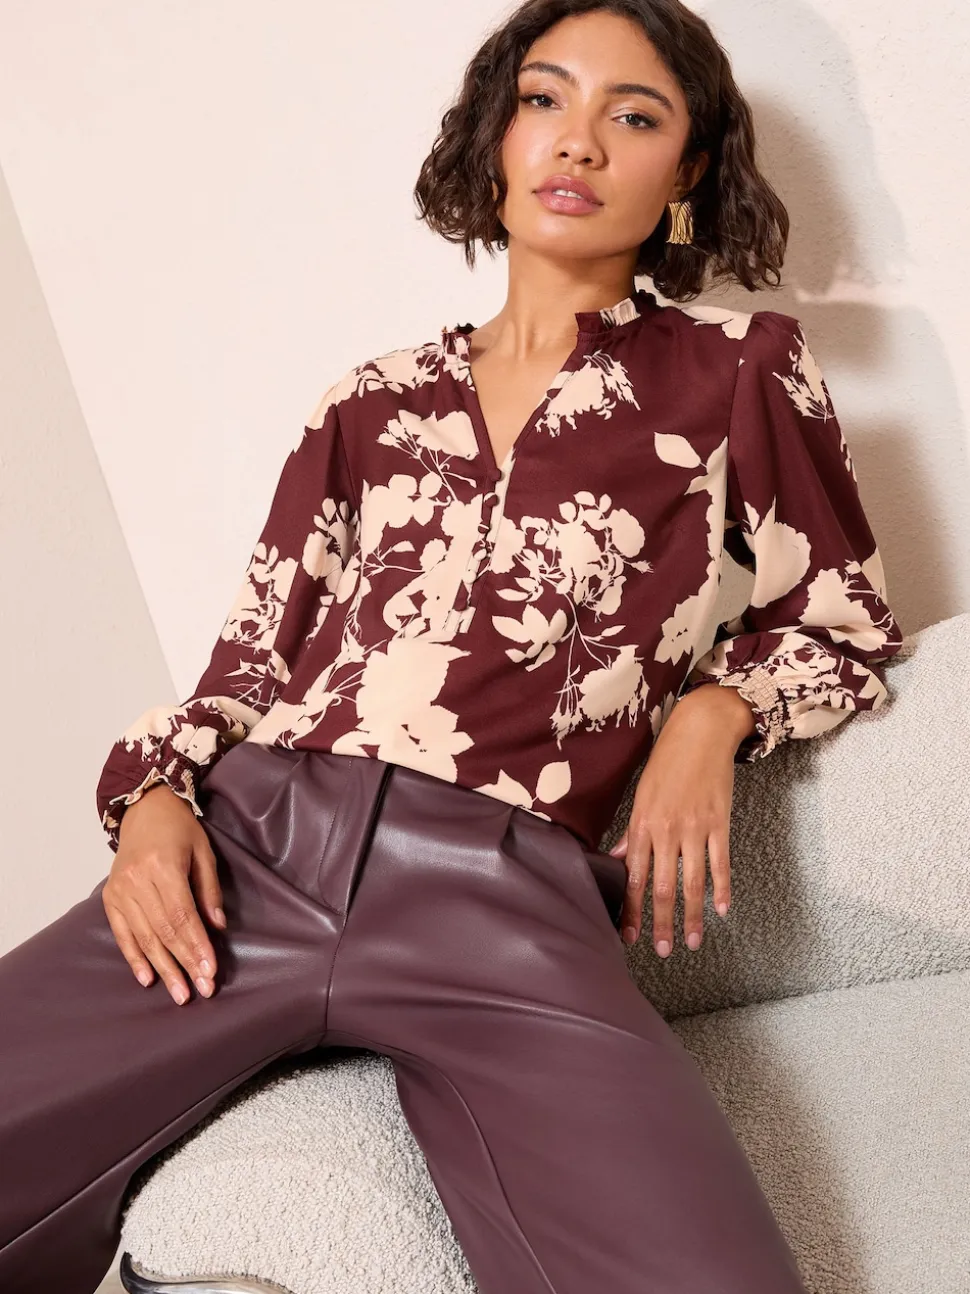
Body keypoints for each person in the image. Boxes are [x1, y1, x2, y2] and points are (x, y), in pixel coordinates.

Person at [0, 2, 903, 1292]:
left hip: (504, 897)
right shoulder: (367, 404)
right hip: (254, 856)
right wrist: (149, 802)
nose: (578, 142)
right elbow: (249, 667)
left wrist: (713, 714)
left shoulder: (739, 372)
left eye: (634, 116)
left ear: (688, 169)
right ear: (498, 136)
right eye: (544, 99)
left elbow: (843, 620)